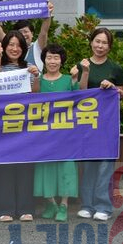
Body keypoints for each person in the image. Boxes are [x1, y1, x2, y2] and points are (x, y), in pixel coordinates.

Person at [76, 27, 123, 222]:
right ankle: (87, 205)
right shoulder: (82, 65)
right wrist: (85, 72)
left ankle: (104, 206)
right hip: (87, 124)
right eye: (97, 41)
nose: (100, 45)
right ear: (91, 42)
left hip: (107, 124)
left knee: (105, 165)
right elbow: (79, 92)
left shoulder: (115, 68)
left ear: (109, 47)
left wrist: (112, 87)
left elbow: (122, 92)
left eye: (104, 42)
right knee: (88, 165)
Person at [0, 31, 41, 222]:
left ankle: (26, 208)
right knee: (4, 166)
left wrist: (36, 77)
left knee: (25, 166)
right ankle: (5, 209)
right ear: (4, 47)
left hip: (24, 124)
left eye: (18, 45)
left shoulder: (28, 67)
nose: (14, 48)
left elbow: (36, 95)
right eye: (10, 44)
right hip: (1, 124)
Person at [34, 44, 79, 222]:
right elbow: (32, 98)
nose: (52, 61)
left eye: (56, 58)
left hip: (65, 133)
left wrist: (76, 79)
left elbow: (79, 100)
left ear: (62, 61)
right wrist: (35, 78)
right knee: (45, 168)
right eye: (49, 57)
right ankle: (51, 203)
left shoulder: (68, 79)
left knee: (66, 168)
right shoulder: (39, 80)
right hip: (43, 134)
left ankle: (64, 205)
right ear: (44, 60)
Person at [0, 1, 54, 71]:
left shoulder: (37, 47)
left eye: (25, 31)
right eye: (20, 32)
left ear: (32, 33)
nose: (23, 34)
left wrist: (48, 13)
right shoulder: (11, 45)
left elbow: (44, 32)